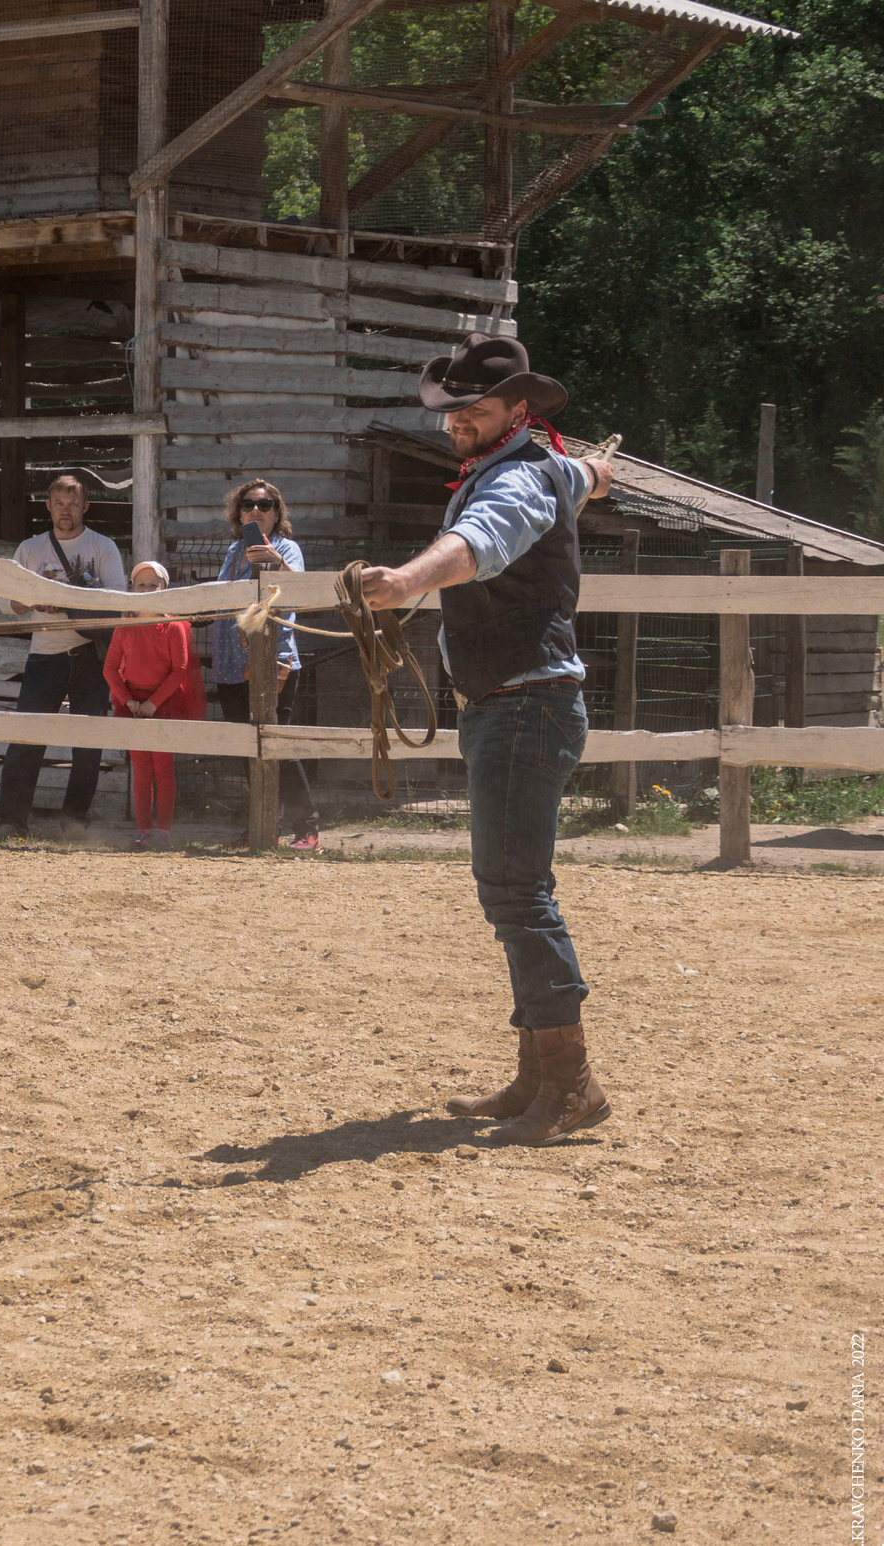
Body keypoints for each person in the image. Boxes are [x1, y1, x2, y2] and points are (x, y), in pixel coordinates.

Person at [359, 333, 616, 1146]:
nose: (457, 421)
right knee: (512, 890)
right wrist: (598, 473)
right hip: (517, 704)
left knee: (516, 893)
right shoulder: (547, 466)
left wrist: (406, 580)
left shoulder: (513, 481)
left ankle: (571, 1082)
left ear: (518, 410)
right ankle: (540, 1074)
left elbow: (483, 539)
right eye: (452, 409)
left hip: (522, 706)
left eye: (474, 408)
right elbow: (581, 476)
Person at [0, 473, 128, 838]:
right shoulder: (30, 549)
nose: (65, 510)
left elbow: (118, 598)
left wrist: (68, 599)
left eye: (72, 504)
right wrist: (34, 601)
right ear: (48, 507)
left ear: (85, 506)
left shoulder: (103, 547)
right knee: (26, 738)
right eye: (59, 503)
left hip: (91, 656)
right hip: (45, 655)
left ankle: (74, 822)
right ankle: (12, 822)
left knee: (87, 744)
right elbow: (6, 603)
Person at [206, 480, 321, 851]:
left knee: (277, 745)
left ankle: (307, 828)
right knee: (247, 747)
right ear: (238, 514)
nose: (256, 510)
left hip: (274, 661)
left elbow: (298, 594)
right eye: (248, 504)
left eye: (265, 504)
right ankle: (262, 825)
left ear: (276, 512)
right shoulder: (234, 551)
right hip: (231, 662)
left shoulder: (287, 548)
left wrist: (275, 561)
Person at [104, 560, 203, 849]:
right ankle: (142, 828)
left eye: (153, 585)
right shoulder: (125, 626)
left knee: (162, 768)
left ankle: (163, 830)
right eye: (140, 585)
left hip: (164, 703)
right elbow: (110, 669)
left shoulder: (173, 626)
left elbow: (180, 670)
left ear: (164, 589)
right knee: (141, 770)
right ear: (132, 589)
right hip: (134, 703)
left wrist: (153, 703)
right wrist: (129, 701)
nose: (146, 590)